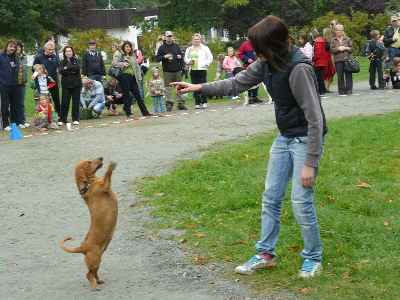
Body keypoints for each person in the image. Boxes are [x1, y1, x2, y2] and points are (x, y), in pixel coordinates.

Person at [172, 15, 327, 279]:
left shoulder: (299, 68)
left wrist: (310, 163)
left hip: (304, 139)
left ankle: (313, 257)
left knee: (301, 201)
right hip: (285, 136)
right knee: (271, 197)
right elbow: (236, 82)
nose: (255, 52)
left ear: (273, 44)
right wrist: (199, 86)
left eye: (258, 47)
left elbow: (315, 117)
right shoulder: (266, 63)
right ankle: (265, 254)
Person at [112, 41, 151, 120]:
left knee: (138, 95)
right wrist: (122, 64)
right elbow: (114, 63)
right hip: (124, 76)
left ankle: (145, 112)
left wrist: (139, 77)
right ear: (124, 47)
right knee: (126, 95)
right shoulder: (119, 54)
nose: (128, 48)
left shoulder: (132, 56)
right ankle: (128, 113)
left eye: (129, 47)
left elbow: (136, 67)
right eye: (126, 47)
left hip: (133, 77)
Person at [156, 31, 187, 111]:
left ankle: (181, 104)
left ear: (172, 37)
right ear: (165, 37)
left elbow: (181, 57)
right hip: (167, 71)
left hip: (177, 70)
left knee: (179, 87)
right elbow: (157, 58)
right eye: (168, 36)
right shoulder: (162, 47)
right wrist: (164, 57)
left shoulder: (176, 46)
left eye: (171, 36)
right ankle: (169, 104)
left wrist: (181, 60)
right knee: (168, 88)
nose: (169, 37)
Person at [33, 41, 61, 122]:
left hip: (53, 82)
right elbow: (34, 69)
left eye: (52, 49)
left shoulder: (55, 57)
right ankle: (43, 119)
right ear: (45, 49)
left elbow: (58, 68)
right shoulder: (39, 57)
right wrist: (37, 75)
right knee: (45, 101)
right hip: (43, 84)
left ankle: (58, 116)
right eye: (49, 49)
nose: (51, 51)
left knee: (56, 100)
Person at [184, 33, 213, 109]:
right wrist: (189, 61)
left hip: (202, 69)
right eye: (195, 39)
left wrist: (206, 64)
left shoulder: (205, 48)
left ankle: (204, 102)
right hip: (193, 69)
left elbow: (210, 58)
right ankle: (197, 103)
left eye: (198, 39)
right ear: (192, 40)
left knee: (203, 86)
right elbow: (186, 58)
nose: (196, 41)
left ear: (200, 40)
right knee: (194, 86)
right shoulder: (189, 49)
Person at [0, 40, 20, 131]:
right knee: (5, 104)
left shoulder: (15, 58)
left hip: (14, 85)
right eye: (10, 46)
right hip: (4, 84)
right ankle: (5, 124)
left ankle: (14, 123)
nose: (12, 48)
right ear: (6, 46)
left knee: (14, 104)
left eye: (14, 47)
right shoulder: (1, 56)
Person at [60, 46, 82, 126]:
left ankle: (75, 119)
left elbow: (77, 68)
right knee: (65, 102)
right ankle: (63, 119)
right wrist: (69, 69)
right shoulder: (62, 61)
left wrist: (67, 68)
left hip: (76, 84)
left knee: (75, 102)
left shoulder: (77, 60)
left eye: (70, 51)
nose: (68, 53)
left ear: (72, 52)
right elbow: (61, 71)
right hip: (66, 85)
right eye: (66, 51)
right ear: (64, 53)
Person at [238, 37, 263, 104]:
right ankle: (249, 97)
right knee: (249, 81)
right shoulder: (244, 44)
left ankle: (255, 97)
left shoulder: (257, 44)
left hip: (257, 65)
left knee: (257, 81)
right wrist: (247, 59)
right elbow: (240, 54)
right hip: (248, 66)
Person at [331, 24, 353, 95]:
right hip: (338, 60)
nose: (338, 32)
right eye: (337, 30)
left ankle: (349, 90)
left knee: (348, 75)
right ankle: (341, 90)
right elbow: (331, 50)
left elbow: (352, 49)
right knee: (340, 76)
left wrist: (346, 48)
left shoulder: (348, 39)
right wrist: (338, 49)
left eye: (340, 30)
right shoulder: (333, 40)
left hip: (347, 59)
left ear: (342, 31)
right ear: (335, 31)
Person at [16, 41, 30, 128]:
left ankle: (22, 120)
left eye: (19, 47)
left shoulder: (24, 57)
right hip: (13, 83)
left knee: (21, 103)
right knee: (14, 103)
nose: (18, 49)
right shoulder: (12, 57)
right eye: (16, 47)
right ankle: (17, 122)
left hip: (22, 83)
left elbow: (25, 70)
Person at [313, 29, 331, 95]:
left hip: (318, 62)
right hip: (323, 61)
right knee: (321, 76)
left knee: (319, 77)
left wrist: (313, 59)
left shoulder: (317, 42)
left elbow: (318, 53)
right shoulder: (322, 41)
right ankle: (323, 90)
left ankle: (321, 91)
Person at [322, 28, 336, 92]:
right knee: (329, 74)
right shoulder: (328, 41)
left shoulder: (325, 40)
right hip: (329, 58)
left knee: (328, 74)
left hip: (326, 58)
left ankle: (326, 88)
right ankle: (326, 87)